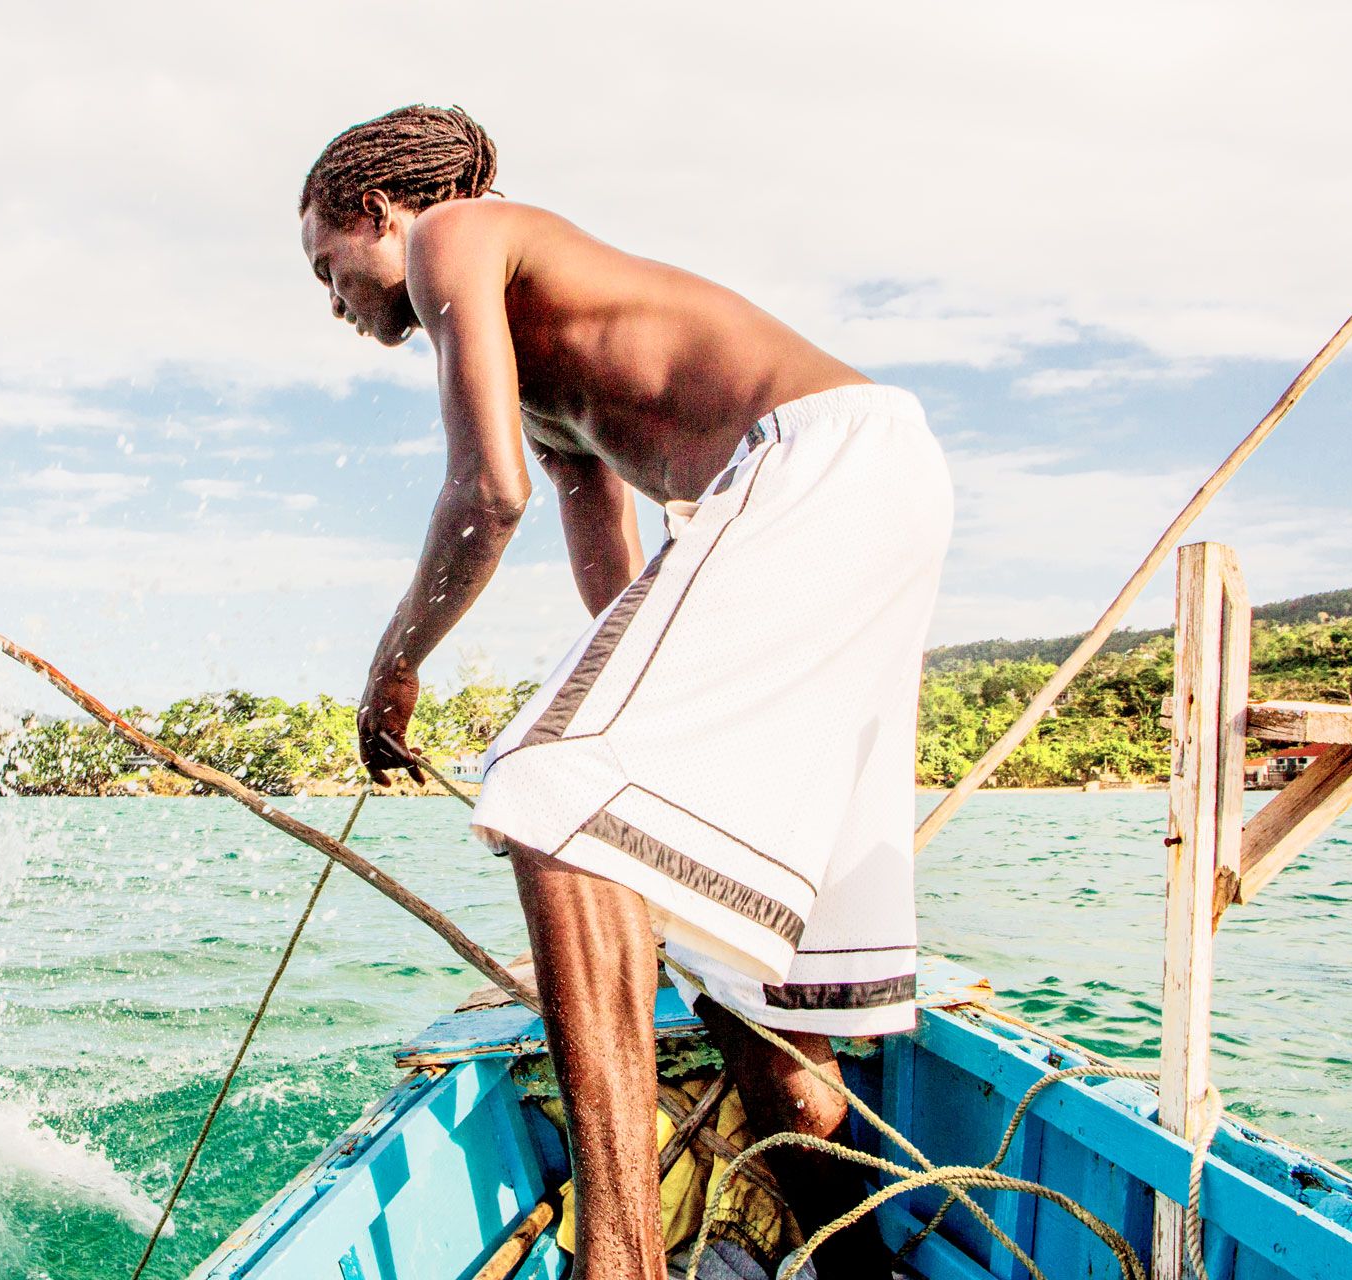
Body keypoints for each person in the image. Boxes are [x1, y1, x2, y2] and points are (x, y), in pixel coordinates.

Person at [299, 105, 951, 1279]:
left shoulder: (454, 232)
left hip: (819, 461)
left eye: (326, 265)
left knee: (548, 789)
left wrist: (395, 661)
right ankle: (864, 1268)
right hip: (872, 479)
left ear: (374, 212)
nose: (333, 300)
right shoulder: (545, 364)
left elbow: (480, 493)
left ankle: (623, 1260)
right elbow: (606, 577)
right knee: (747, 989)